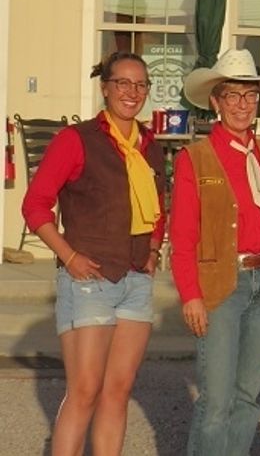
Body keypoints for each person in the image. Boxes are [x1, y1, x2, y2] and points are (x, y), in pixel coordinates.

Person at [21, 51, 165, 456]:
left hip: (135, 279)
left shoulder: (149, 146)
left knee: (117, 392)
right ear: (105, 87)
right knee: (84, 391)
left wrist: (153, 249)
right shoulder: (76, 139)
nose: (132, 92)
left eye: (140, 85)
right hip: (88, 280)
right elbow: (35, 205)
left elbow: (158, 208)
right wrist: (69, 257)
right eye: (123, 83)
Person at [171, 48, 260, 455]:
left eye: (250, 95)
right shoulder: (196, 158)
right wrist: (191, 296)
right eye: (232, 95)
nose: (242, 105)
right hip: (221, 285)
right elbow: (182, 236)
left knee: (248, 395)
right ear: (216, 102)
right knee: (217, 400)